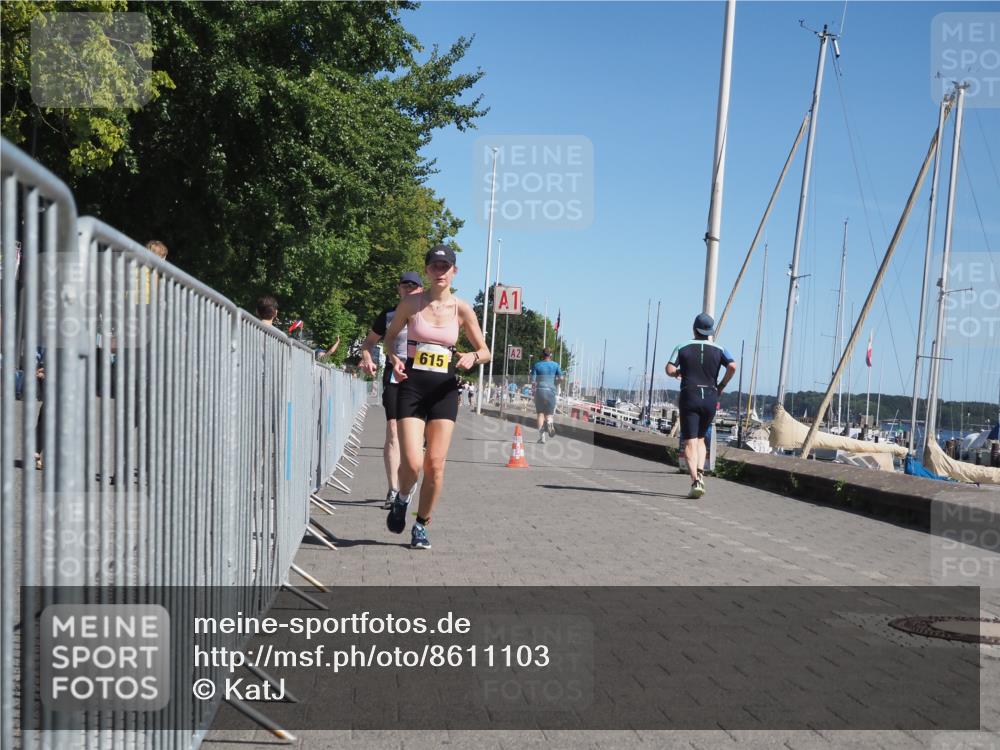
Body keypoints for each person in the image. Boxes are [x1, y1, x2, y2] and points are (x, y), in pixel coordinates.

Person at [381, 245, 490, 550]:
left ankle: (421, 525)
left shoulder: (463, 309)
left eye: (446, 267)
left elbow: (485, 351)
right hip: (412, 386)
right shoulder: (411, 303)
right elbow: (390, 339)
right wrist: (394, 359)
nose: (440, 272)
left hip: (444, 390)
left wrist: (472, 357)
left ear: (454, 272)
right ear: (427, 270)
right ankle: (402, 499)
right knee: (413, 463)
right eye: (435, 266)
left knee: (436, 464)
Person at [359, 271, 424, 509]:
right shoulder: (388, 315)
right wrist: (367, 357)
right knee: (394, 430)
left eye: (413, 286)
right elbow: (369, 343)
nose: (408, 289)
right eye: (404, 286)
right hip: (394, 377)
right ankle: (393, 489)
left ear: (421, 289)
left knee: (415, 439)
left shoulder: (428, 314)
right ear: (399, 289)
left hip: (422, 378)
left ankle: (408, 480)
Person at [665, 313, 736, 499]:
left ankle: (695, 481)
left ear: (694, 329)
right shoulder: (721, 348)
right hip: (711, 396)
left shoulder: (682, 347)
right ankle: (701, 474)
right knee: (701, 439)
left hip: (690, 394)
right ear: (710, 332)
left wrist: (677, 373)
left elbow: (669, 368)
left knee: (690, 440)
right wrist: (722, 385)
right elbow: (733, 366)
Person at [530, 347, 563, 443]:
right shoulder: (555, 365)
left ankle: (542, 438)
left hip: (540, 390)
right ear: (551, 355)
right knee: (549, 414)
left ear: (542, 355)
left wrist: (534, 392)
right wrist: (556, 382)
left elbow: (533, 382)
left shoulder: (537, 365)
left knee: (540, 414)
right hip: (551, 390)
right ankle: (549, 422)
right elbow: (561, 377)